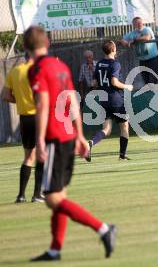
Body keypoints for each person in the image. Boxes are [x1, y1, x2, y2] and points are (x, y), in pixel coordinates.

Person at [26, 26, 116, 261]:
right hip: (67, 137)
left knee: (52, 199)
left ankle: (103, 229)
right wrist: (78, 135)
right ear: (47, 43)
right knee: (60, 197)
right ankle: (55, 249)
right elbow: (74, 104)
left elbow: (43, 106)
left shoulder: (37, 69)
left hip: (54, 139)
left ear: (27, 47)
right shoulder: (61, 66)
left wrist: (39, 141)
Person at [2, 53, 44, 203]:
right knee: (42, 154)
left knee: (28, 157)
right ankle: (37, 194)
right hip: (39, 117)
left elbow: (6, 96)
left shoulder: (15, 71)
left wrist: (20, 101)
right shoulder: (40, 70)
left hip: (24, 119)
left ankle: (21, 195)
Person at [87, 40, 133, 161]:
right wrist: (127, 86)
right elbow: (114, 82)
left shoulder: (99, 64)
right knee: (124, 128)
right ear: (113, 50)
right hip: (116, 100)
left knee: (106, 129)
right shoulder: (115, 64)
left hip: (103, 100)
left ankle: (91, 143)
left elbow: (93, 83)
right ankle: (122, 156)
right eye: (115, 47)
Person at [120, 17, 158, 85]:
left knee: (154, 78)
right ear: (134, 25)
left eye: (140, 22)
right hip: (142, 60)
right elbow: (122, 40)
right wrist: (125, 42)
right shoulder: (132, 33)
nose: (139, 24)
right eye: (136, 23)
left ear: (143, 23)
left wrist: (134, 41)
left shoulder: (147, 29)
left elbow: (147, 37)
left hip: (153, 58)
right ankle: (150, 93)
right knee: (146, 79)